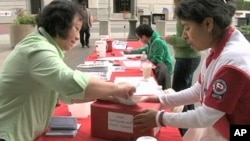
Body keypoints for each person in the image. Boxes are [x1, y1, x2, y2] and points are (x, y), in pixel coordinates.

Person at [0, 1, 135, 141]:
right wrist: (117, 88)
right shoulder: (37, 49)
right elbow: (67, 81)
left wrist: (106, 93)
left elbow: (65, 94)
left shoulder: (45, 46)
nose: (78, 36)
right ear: (60, 25)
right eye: (76, 28)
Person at [133, 0, 250, 140]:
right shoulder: (216, 48)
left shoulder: (233, 61)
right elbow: (198, 90)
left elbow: (206, 116)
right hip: (220, 126)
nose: (184, 36)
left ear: (208, 24)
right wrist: (161, 99)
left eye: (187, 28)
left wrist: (159, 118)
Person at [164, 0, 201, 136]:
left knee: (179, 95)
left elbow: (186, 39)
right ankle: (189, 128)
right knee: (186, 94)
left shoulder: (186, 14)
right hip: (188, 58)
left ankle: (183, 130)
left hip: (187, 58)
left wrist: (171, 39)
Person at [124, 24, 175, 89]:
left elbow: (156, 60)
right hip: (159, 67)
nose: (139, 40)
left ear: (144, 36)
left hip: (164, 70)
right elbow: (146, 50)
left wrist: (145, 58)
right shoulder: (152, 39)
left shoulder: (157, 42)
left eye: (139, 38)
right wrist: (132, 52)